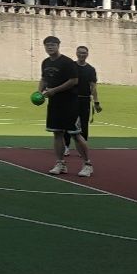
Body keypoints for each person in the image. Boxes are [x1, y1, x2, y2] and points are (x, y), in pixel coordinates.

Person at [36, 35, 82, 176]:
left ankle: (87, 164)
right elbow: (44, 79)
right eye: (47, 45)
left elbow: (74, 81)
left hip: (69, 103)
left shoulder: (67, 62)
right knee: (57, 133)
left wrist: (54, 90)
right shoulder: (45, 62)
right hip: (54, 103)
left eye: (53, 44)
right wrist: (39, 92)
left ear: (58, 46)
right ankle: (60, 163)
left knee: (75, 134)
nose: (50, 47)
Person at [61, 44, 101, 177]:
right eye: (80, 52)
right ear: (76, 53)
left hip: (84, 100)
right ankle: (66, 147)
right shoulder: (71, 66)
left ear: (87, 54)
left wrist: (96, 102)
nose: (81, 54)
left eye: (84, 53)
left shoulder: (90, 69)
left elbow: (93, 87)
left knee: (84, 125)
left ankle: (83, 149)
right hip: (71, 99)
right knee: (68, 124)